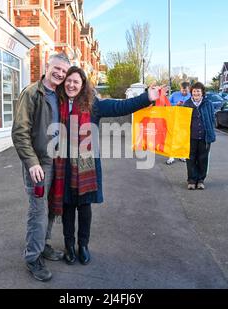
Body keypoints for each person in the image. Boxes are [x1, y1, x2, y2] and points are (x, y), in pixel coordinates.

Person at [53, 66, 165, 265]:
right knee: (68, 206)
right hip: (63, 164)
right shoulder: (56, 102)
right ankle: (69, 245)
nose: (71, 85)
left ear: (83, 84)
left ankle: (83, 245)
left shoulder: (92, 104)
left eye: (76, 82)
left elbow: (119, 107)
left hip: (86, 165)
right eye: (68, 81)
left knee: (84, 207)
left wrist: (147, 97)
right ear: (64, 82)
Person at [12, 53, 71, 282]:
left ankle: (42, 244)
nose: (60, 74)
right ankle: (32, 257)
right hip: (38, 164)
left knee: (51, 206)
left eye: (64, 71)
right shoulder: (31, 93)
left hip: (56, 161)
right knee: (38, 211)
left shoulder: (60, 95)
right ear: (47, 66)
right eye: (57, 68)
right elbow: (19, 132)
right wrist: (32, 162)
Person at [181, 82, 216, 190]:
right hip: (190, 137)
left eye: (198, 91)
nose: (196, 93)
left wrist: (211, 131)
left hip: (205, 137)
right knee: (191, 159)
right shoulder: (186, 104)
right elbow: (182, 121)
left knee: (203, 159)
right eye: (194, 91)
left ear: (202, 93)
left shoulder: (208, 104)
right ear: (191, 92)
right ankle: (191, 180)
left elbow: (212, 118)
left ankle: (200, 180)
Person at [166, 82, 191, 165]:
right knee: (173, 137)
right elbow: (167, 105)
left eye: (186, 91)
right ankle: (171, 156)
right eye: (183, 90)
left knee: (183, 138)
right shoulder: (174, 95)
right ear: (180, 89)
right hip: (174, 119)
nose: (184, 92)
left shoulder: (191, 95)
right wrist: (175, 104)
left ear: (189, 89)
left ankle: (182, 155)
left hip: (185, 120)